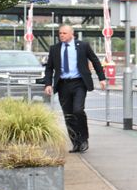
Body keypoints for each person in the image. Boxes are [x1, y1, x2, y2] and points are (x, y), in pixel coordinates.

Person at [42, 24, 107, 153]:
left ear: (72, 34)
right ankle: (75, 142)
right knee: (68, 115)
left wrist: (102, 78)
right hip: (63, 85)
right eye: (60, 33)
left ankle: (83, 139)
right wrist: (48, 84)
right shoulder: (54, 49)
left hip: (79, 83)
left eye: (64, 33)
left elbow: (95, 61)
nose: (61, 35)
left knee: (78, 110)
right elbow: (49, 68)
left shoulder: (82, 46)